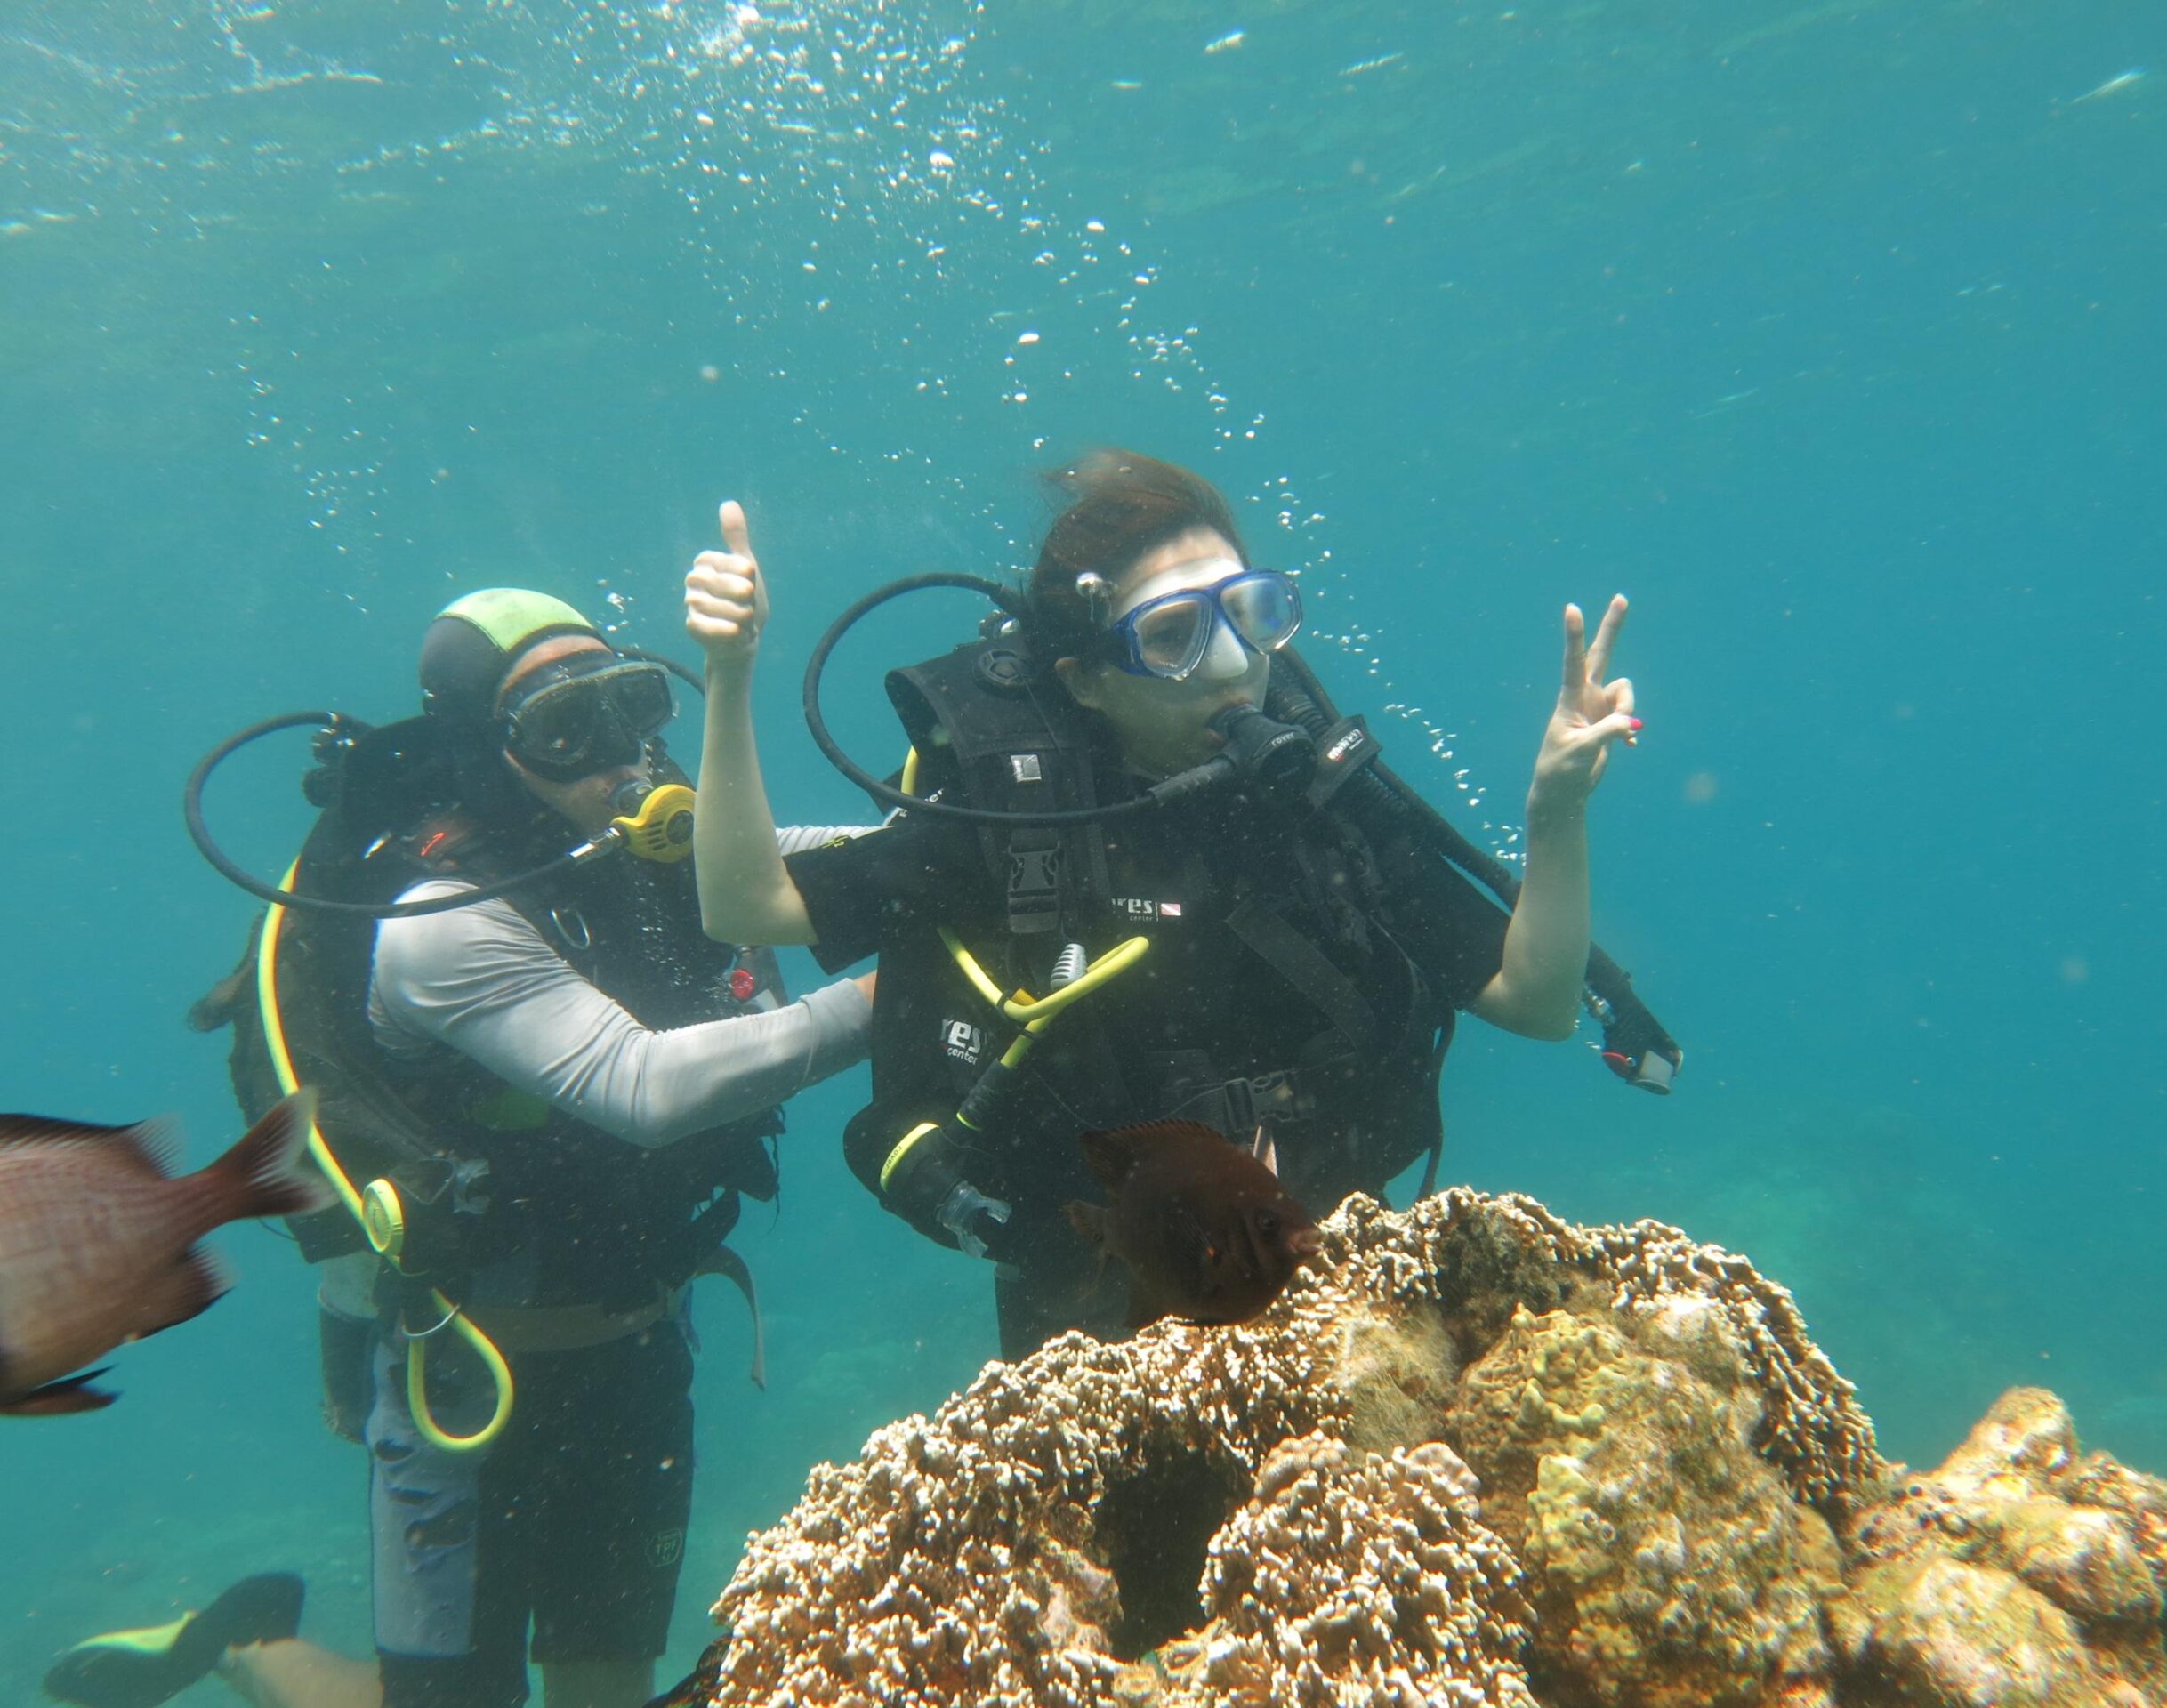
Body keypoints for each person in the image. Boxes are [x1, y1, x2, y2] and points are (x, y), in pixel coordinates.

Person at [47, 590, 875, 1708]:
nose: (619, 756)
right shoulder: (441, 918)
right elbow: (645, 1087)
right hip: (470, 1389)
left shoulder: (664, 851)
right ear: (482, 746)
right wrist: (904, 984)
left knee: (603, 1686)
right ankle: (250, 1646)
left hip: (639, 1360)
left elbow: (867, 858)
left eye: (629, 705)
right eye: (562, 727)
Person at [681, 454, 1648, 1358]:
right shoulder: (1023, 827)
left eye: (1251, 612)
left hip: (1343, 1276)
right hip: (1102, 1306)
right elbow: (744, 900)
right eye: (1174, 636)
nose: (1232, 665)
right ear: (1085, 680)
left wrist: (1555, 811)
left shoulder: (1317, 804)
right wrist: (729, 676)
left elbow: (1536, 1000)